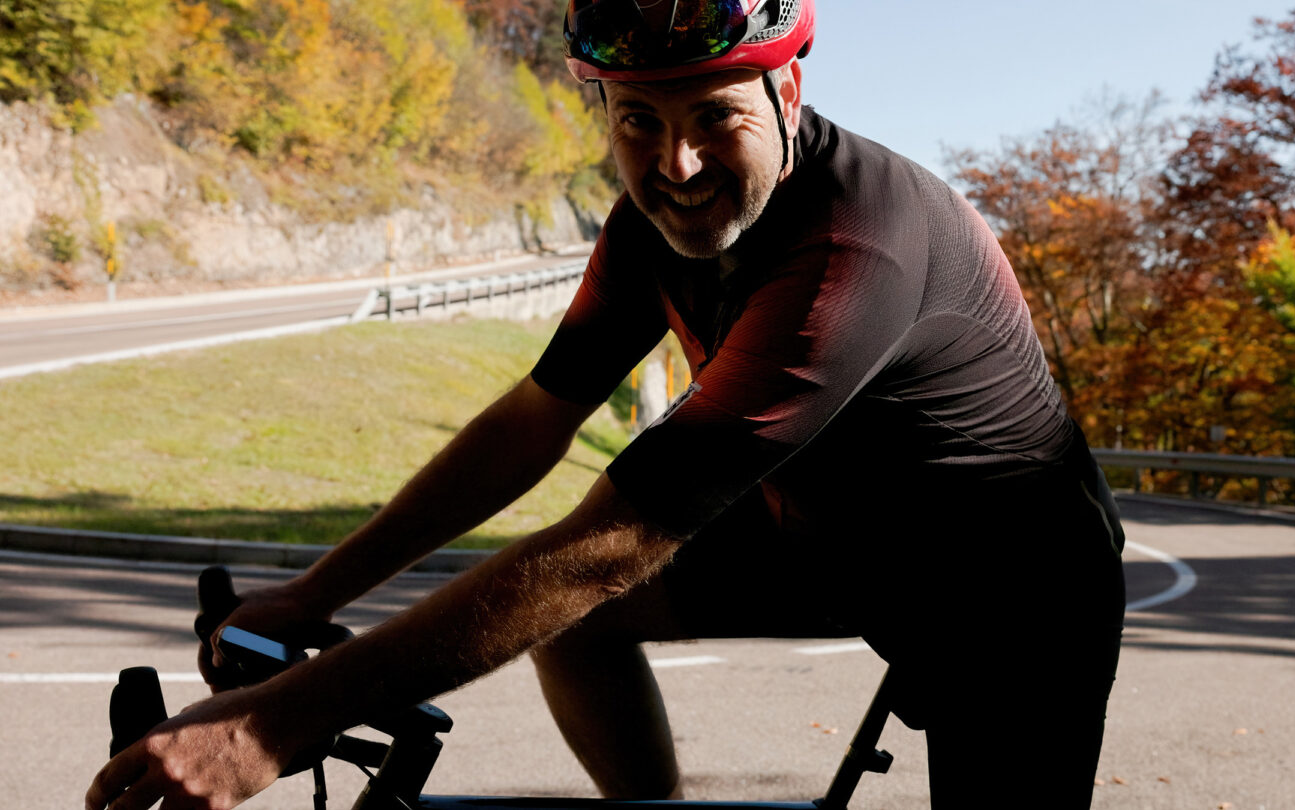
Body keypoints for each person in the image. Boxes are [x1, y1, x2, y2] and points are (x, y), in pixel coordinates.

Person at [86, 2, 1126, 808]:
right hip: (824, 544)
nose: (676, 166)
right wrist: (311, 596)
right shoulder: (649, 229)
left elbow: (606, 546)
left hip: (1014, 596)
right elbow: (535, 417)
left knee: (578, 585)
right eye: (639, 120)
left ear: (788, 92)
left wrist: (268, 726)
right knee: (573, 628)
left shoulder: (853, 247)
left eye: (715, 116)